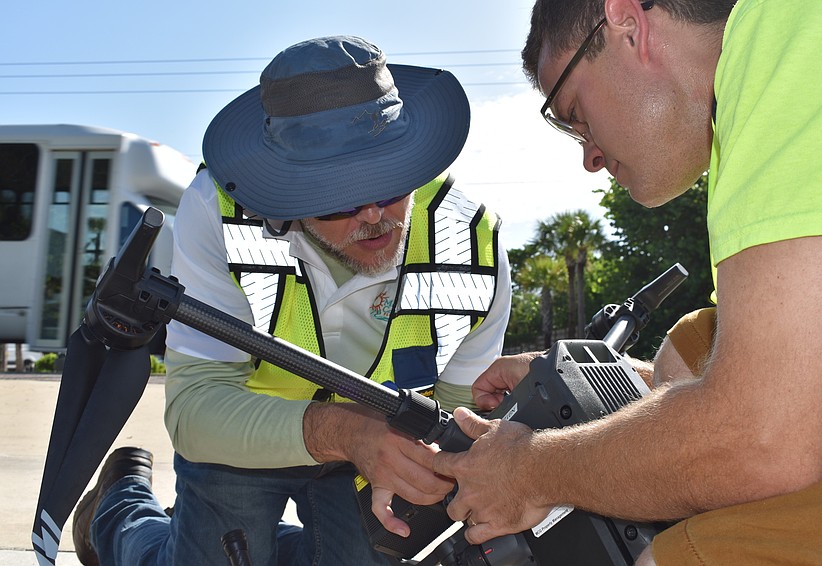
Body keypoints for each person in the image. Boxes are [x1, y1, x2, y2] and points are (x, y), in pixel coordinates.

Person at [432, 1, 822, 564]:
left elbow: (762, 441)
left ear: (628, 23)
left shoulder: (790, 31)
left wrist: (529, 471)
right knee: (685, 355)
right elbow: (798, 371)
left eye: (575, 112)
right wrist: (604, 379)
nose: (590, 157)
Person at [72, 35, 511, 565]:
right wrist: (343, 431)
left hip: (377, 446)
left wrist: (431, 462)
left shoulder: (471, 245)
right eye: (339, 201)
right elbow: (194, 410)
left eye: (391, 186)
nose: (373, 217)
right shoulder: (219, 211)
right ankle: (117, 510)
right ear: (287, 188)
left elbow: (456, 415)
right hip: (242, 433)